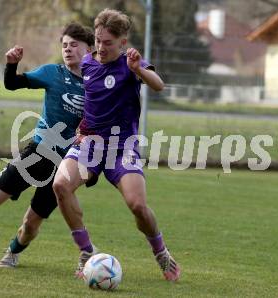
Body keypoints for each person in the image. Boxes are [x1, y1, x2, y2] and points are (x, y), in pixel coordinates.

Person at [0, 23, 94, 268]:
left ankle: (12, 253)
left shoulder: (96, 86)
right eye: (64, 45)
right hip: (37, 154)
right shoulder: (53, 73)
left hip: (66, 164)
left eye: (74, 45)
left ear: (90, 49)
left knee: (31, 223)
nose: (68, 50)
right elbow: (12, 84)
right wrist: (11, 64)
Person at [52, 9, 181, 281]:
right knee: (60, 185)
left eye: (108, 42)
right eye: (98, 40)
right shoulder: (87, 64)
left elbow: (158, 86)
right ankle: (87, 251)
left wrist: (138, 70)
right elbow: (91, 103)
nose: (101, 47)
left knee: (137, 205)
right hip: (91, 145)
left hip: (122, 148)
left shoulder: (131, 64)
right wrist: (80, 129)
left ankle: (160, 252)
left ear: (123, 42)